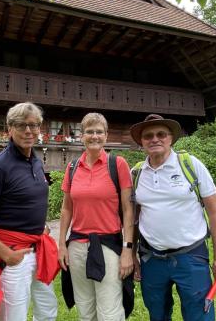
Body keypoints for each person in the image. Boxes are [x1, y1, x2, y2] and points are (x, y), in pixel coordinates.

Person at [0, 102, 59, 321]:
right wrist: (7, 255)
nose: (28, 131)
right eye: (21, 125)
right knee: (14, 316)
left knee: (48, 310)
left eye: (34, 125)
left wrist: (37, 226)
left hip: (39, 249)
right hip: (14, 255)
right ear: (9, 128)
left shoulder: (34, 161)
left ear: (39, 128)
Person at [130, 114, 216, 321]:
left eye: (161, 134)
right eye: (148, 135)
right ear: (141, 142)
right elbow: (133, 218)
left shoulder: (191, 165)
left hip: (191, 257)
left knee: (199, 316)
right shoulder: (137, 173)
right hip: (151, 258)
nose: (155, 139)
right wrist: (131, 254)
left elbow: (214, 212)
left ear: (171, 138)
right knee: (157, 315)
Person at [59, 112, 134, 321]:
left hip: (108, 246)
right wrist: (62, 245)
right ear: (81, 136)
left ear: (106, 135)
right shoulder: (73, 167)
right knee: (85, 308)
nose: (94, 136)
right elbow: (66, 209)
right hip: (77, 247)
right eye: (89, 132)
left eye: (99, 132)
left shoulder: (117, 165)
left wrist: (128, 250)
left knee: (109, 311)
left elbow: (128, 211)